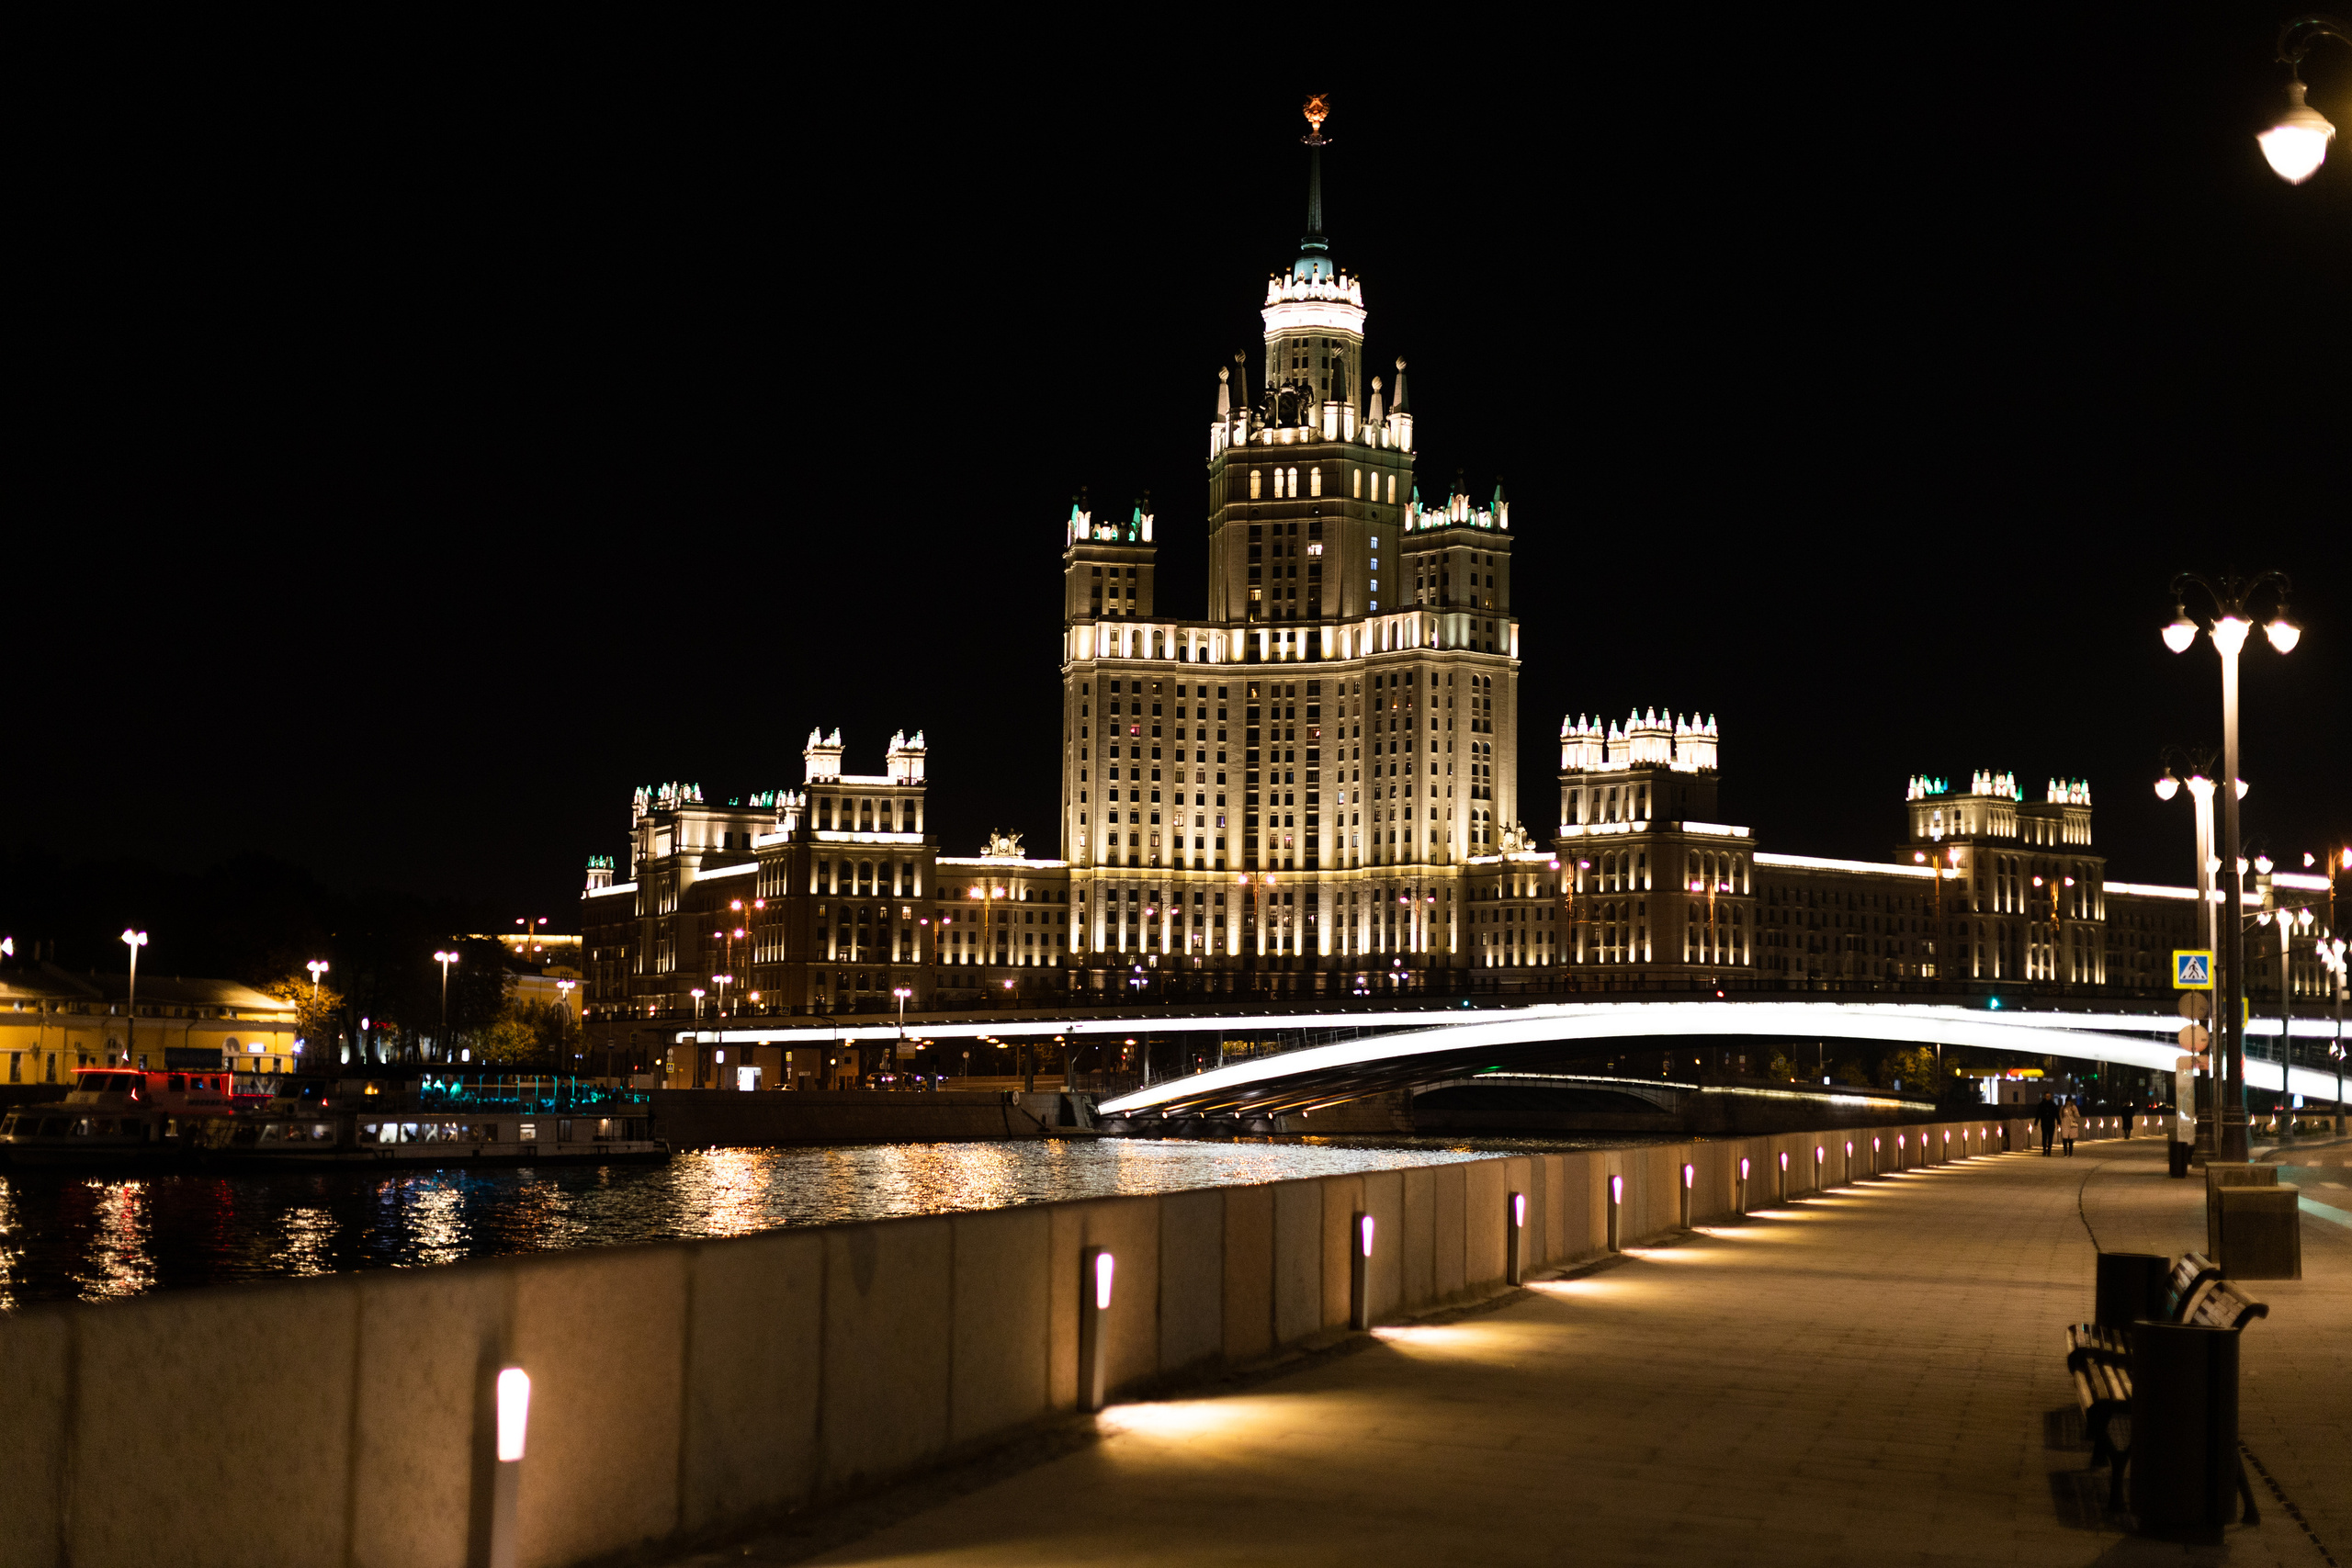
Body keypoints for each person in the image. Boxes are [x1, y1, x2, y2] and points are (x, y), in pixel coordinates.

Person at [2035, 1092, 2060, 1156]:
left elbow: (2057, 1114)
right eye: (2047, 1096)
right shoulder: (2041, 1105)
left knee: (2050, 1138)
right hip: (2044, 1123)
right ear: (2045, 1096)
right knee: (2044, 1137)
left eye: (2049, 1096)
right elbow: (2038, 1114)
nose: (2048, 1097)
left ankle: (2049, 1151)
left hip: (2051, 1123)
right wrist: (2036, 1123)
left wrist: (2059, 1122)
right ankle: (2044, 1150)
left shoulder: (2053, 1105)